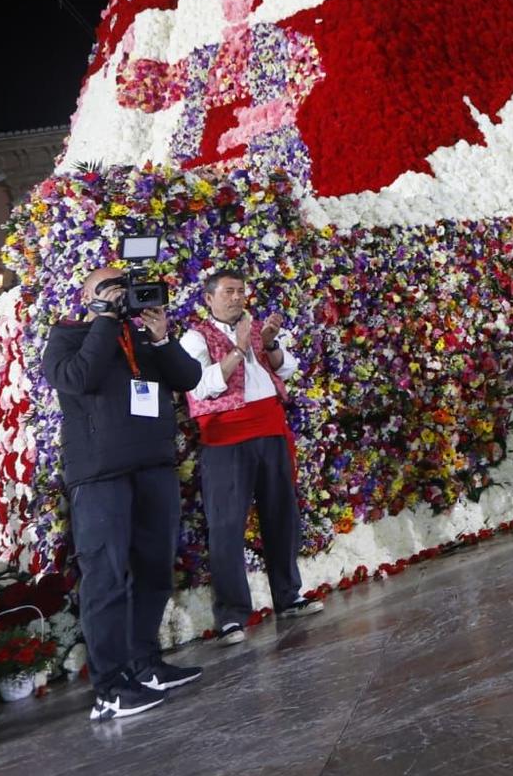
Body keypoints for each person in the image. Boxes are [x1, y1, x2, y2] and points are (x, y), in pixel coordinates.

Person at [43, 266, 204, 720]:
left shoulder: (141, 337)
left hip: (153, 466)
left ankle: (145, 664)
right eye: (106, 289)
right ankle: (110, 688)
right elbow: (78, 379)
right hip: (99, 476)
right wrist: (103, 320)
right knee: (107, 578)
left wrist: (160, 337)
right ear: (85, 296)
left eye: (122, 289)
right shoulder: (68, 336)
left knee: (154, 570)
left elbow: (188, 378)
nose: (118, 296)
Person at [178, 269, 323, 646]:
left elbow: (287, 368)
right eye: (228, 292)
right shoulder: (196, 337)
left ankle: (288, 596)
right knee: (226, 526)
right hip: (227, 437)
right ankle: (231, 616)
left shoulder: (255, 328)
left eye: (241, 291)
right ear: (209, 298)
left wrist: (269, 343)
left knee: (281, 515)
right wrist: (239, 349)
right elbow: (200, 387)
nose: (237, 298)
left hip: (270, 429)